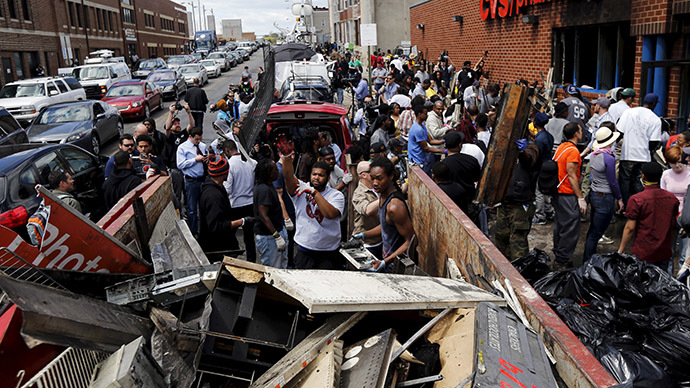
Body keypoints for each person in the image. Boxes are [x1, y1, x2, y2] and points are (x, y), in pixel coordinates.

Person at [280, 151, 345, 270]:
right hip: (305, 251)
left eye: (321, 175)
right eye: (314, 174)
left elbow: (329, 214)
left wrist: (313, 193)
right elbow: (288, 176)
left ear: (328, 178)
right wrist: (287, 156)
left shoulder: (336, 195)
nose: (316, 177)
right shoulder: (302, 189)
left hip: (328, 253)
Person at [353, 157, 414, 271]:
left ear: (390, 177)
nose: (375, 183)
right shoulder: (382, 197)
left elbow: (411, 241)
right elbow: (386, 225)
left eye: (379, 179)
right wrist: (364, 235)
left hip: (397, 267)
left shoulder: (394, 206)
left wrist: (385, 262)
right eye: (372, 178)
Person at [619, 162, 679, 271]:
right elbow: (673, 225)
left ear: (643, 176)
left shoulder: (636, 199)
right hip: (663, 251)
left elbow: (630, 228)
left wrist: (621, 250)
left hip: (644, 251)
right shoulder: (671, 198)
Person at [494, 140, 541, 260]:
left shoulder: (531, 147)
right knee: (501, 237)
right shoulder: (505, 148)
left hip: (521, 205)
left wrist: (522, 151)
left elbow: (529, 159)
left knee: (518, 242)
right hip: (504, 202)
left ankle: (519, 272)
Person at [583, 124, 623, 262]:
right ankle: (588, 261)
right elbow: (613, 182)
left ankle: (587, 260)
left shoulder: (594, 155)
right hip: (605, 197)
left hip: (595, 194)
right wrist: (619, 198)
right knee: (596, 232)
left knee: (592, 231)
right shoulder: (609, 158)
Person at [617, 93, 662, 206]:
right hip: (643, 156)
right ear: (654, 104)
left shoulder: (629, 112)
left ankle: (625, 206)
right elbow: (654, 142)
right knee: (639, 181)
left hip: (627, 153)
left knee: (625, 181)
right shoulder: (655, 119)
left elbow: (619, 133)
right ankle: (638, 206)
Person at [552, 123, 586, 270]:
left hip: (558, 192)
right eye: (580, 130)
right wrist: (580, 197)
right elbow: (571, 174)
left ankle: (559, 255)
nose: (582, 132)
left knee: (560, 225)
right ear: (576, 134)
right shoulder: (573, 151)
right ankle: (562, 260)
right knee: (570, 228)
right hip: (567, 193)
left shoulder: (562, 147)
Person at [199, 156, 246, 261]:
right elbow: (216, 226)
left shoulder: (217, 188)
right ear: (224, 173)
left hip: (222, 245)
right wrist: (241, 222)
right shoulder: (213, 196)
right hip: (217, 249)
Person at [223, 139, 257, 262]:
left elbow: (227, 188)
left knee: (230, 235)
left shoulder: (230, 165)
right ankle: (252, 262)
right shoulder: (252, 162)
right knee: (249, 238)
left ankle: (231, 260)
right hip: (250, 204)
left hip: (235, 206)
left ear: (227, 150)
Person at [253, 158, 288, 268]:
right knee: (273, 271)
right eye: (274, 169)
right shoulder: (264, 190)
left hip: (276, 232)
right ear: (268, 173)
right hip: (269, 238)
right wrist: (276, 236)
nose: (277, 171)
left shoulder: (269, 185)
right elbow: (263, 216)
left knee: (282, 268)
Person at [661, 145, 690, 271]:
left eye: (679, 162)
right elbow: (662, 197)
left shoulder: (689, 174)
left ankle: (682, 281)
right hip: (670, 217)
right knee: (669, 252)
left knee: (684, 254)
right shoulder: (666, 175)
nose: (677, 166)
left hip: (686, 218)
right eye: (673, 163)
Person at [176, 127, 208, 236]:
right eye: (196, 139)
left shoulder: (202, 146)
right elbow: (180, 165)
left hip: (203, 179)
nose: (198, 142)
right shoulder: (182, 148)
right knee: (192, 209)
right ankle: (193, 232)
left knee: (204, 207)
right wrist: (195, 160)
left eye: (200, 139)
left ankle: (205, 231)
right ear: (190, 137)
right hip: (191, 181)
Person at [352, 160, 383, 259]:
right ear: (364, 175)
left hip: (380, 240)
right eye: (372, 171)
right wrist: (385, 198)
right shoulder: (359, 194)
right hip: (366, 244)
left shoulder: (376, 187)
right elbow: (367, 210)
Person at [442, 131, 481, 203]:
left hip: (452, 200)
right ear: (460, 145)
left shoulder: (443, 165)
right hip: (469, 198)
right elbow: (477, 177)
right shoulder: (471, 160)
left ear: (445, 146)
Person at [407, 104, 444, 175]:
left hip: (422, 159)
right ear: (419, 114)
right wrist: (442, 151)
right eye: (425, 114)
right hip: (417, 161)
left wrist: (443, 141)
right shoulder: (417, 129)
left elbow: (430, 141)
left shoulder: (423, 126)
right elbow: (425, 148)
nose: (427, 115)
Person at [532, 113, 555, 225]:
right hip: (548, 165)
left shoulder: (540, 139)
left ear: (535, 123)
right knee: (545, 190)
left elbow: (537, 154)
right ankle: (549, 211)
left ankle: (540, 216)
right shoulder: (548, 135)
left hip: (540, 166)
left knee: (539, 192)